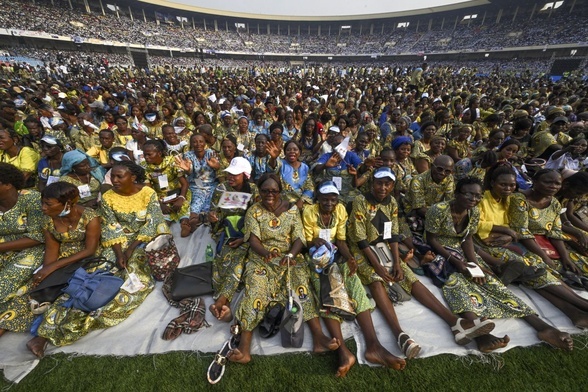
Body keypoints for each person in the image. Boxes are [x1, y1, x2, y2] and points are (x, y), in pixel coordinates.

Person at [349, 168, 496, 358]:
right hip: (362, 249)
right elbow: (360, 239)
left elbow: (393, 234)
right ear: (372, 183)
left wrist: (396, 261)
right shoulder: (361, 201)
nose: (383, 187)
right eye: (379, 183)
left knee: (409, 277)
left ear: (393, 185)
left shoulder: (392, 202)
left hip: (383, 246)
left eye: (388, 183)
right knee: (376, 279)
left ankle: (455, 323)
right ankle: (400, 335)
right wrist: (377, 266)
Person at [28, 161, 170, 357]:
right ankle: (43, 334)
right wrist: (120, 253)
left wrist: (129, 252)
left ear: (133, 178)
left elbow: (152, 223)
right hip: (116, 243)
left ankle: (79, 324)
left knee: (133, 284)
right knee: (88, 279)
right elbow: (111, 226)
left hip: (141, 243)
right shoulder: (109, 196)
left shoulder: (148, 193)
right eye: (113, 176)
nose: (115, 180)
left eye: (120, 176)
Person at [425, 177, 574, 352]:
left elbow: (467, 239)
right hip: (440, 251)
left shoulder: (473, 212)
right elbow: (431, 239)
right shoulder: (438, 210)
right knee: (456, 283)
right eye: (469, 194)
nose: (474, 199)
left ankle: (542, 326)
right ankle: (479, 333)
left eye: (478, 196)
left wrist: (474, 264)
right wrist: (456, 262)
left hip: (459, 249)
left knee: (489, 281)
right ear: (457, 194)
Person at [229, 173, 339, 364]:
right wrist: (265, 254)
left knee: (301, 285)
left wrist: (291, 255)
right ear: (260, 192)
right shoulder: (254, 210)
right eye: (265, 191)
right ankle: (244, 348)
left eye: (274, 191)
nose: (269, 194)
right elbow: (253, 239)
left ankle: (319, 337)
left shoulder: (291, 210)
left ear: (280, 191)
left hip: (289, 257)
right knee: (254, 289)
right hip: (261, 259)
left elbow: (299, 238)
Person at [303, 181, 406, 375]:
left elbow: (341, 240)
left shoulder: (340, 210)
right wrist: (314, 242)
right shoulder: (310, 212)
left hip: (337, 253)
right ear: (318, 199)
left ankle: (374, 346)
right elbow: (307, 241)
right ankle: (343, 351)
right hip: (316, 258)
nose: (329, 203)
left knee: (354, 283)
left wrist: (350, 258)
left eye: (333, 199)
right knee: (327, 292)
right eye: (325, 199)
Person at [475, 164, 588, 328]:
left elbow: (553, 230)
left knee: (535, 271)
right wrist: (510, 233)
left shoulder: (550, 203)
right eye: (548, 182)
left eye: (557, 183)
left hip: (515, 241)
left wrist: (564, 254)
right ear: (534, 181)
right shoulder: (512, 199)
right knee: (534, 266)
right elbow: (517, 230)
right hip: (496, 243)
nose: (553, 187)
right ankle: (580, 305)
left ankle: (575, 311)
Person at [207, 157, 258, 322]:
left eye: (235, 175)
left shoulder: (254, 191)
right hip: (227, 232)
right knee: (224, 260)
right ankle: (223, 303)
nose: (231, 177)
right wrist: (214, 218)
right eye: (229, 173)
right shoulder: (221, 189)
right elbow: (215, 213)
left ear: (245, 175)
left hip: (248, 234)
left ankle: (222, 301)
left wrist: (245, 238)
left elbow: (258, 217)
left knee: (239, 257)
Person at [0, 164, 44, 338]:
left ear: (8, 184)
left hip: (31, 249)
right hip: (5, 249)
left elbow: (37, 236)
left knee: (5, 283)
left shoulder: (31, 199)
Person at [141, 140, 191, 237]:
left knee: (182, 206)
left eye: (149, 154)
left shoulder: (173, 161)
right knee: (163, 213)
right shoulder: (144, 166)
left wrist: (181, 198)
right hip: (160, 195)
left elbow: (184, 183)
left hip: (178, 192)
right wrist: (160, 204)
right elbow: (149, 190)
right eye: (144, 154)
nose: (146, 157)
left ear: (159, 153)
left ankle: (184, 224)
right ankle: (164, 228)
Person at [183, 133, 219, 228]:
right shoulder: (188, 155)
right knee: (198, 198)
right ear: (191, 144)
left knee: (211, 200)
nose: (198, 144)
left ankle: (208, 218)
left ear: (205, 143)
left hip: (211, 184)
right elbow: (189, 171)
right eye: (194, 142)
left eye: (201, 141)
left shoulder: (210, 153)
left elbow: (217, 167)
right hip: (195, 184)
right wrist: (187, 170)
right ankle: (193, 219)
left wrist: (215, 166)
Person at [268, 140, 314, 210]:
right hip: (283, 203)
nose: (292, 152)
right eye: (288, 150)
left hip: (301, 203)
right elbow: (272, 169)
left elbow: (309, 187)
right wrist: (273, 158)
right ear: (285, 152)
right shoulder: (281, 164)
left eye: (295, 149)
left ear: (300, 152)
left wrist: (301, 201)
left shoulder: (305, 167)